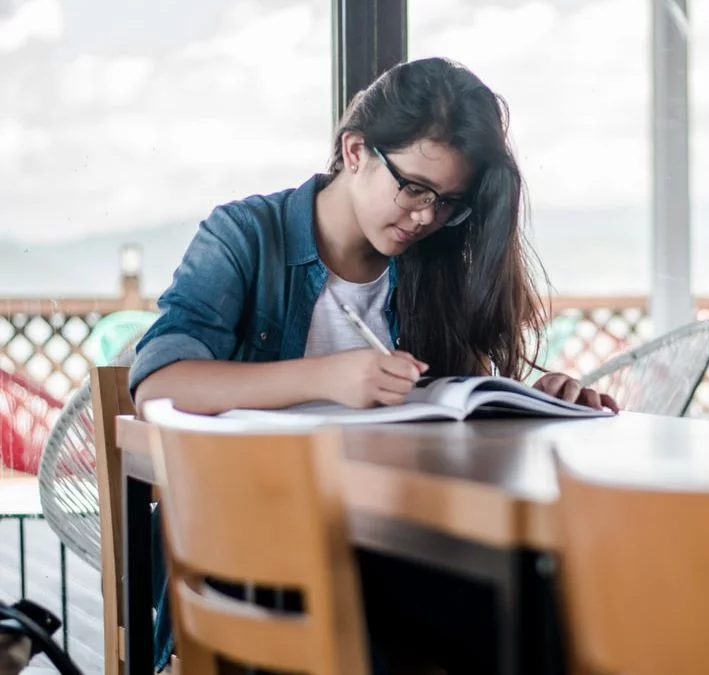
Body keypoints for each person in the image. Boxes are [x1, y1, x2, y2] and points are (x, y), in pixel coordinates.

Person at [131, 56, 618, 672]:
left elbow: (446, 409)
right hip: (253, 546)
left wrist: (532, 400)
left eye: (448, 203)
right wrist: (328, 377)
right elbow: (157, 386)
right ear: (355, 150)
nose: (425, 217)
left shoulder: (432, 264)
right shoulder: (246, 235)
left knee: (547, 609)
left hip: (393, 541)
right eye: (414, 187)